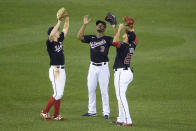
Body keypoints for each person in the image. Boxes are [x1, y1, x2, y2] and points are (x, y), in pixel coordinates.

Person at [77, 15, 116, 119]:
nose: (99, 26)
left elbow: (116, 41)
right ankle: (92, 111)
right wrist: (84, 24)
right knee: (91, 89)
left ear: (104, 28)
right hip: (92, 67)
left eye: (101, 25)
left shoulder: (107, 39)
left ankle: (106, 112)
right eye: (98, 25)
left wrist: (114, 27)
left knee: (104, 91)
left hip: (103, 68)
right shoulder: (91, 38)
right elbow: (79, 37)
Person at [40, 13, 69, 121]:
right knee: (57, 93)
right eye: (57, 30)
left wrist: (67, 18)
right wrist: (59, 21)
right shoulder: (50, 42)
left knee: (59, 93)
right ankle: (44, 112)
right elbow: (52, 34)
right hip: (55, 70)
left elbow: (66, 28)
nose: (58, 31)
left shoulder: (60, 39)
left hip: (62, 70)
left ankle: (56, 115)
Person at [111, 22, 138, 126]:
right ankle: (120, 118)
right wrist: (132, 27)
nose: (124, 33)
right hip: (127, 73)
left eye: (126, 33)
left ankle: (128, 120)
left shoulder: (123, 45)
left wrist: (119, 29)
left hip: (121, 73)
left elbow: (114, 41)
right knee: (119, 96)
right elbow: (135, 39)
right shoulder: (131, 45)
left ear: (127, 38)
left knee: (121, 96)